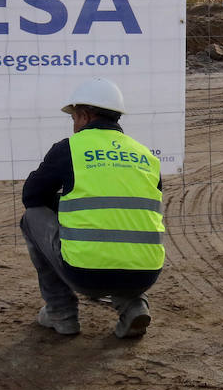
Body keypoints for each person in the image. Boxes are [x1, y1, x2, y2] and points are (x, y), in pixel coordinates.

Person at [20, 77, 164, 338]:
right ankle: (133, 306)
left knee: (32, 218)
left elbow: (32, 197)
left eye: (74, 118)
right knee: (123, 228)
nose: (74, 126)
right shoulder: (147, 156)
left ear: (84, 116)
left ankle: (60, 313)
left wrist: (62, 206)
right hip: (145, 274)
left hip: (86, 275)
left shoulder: (70, 149)